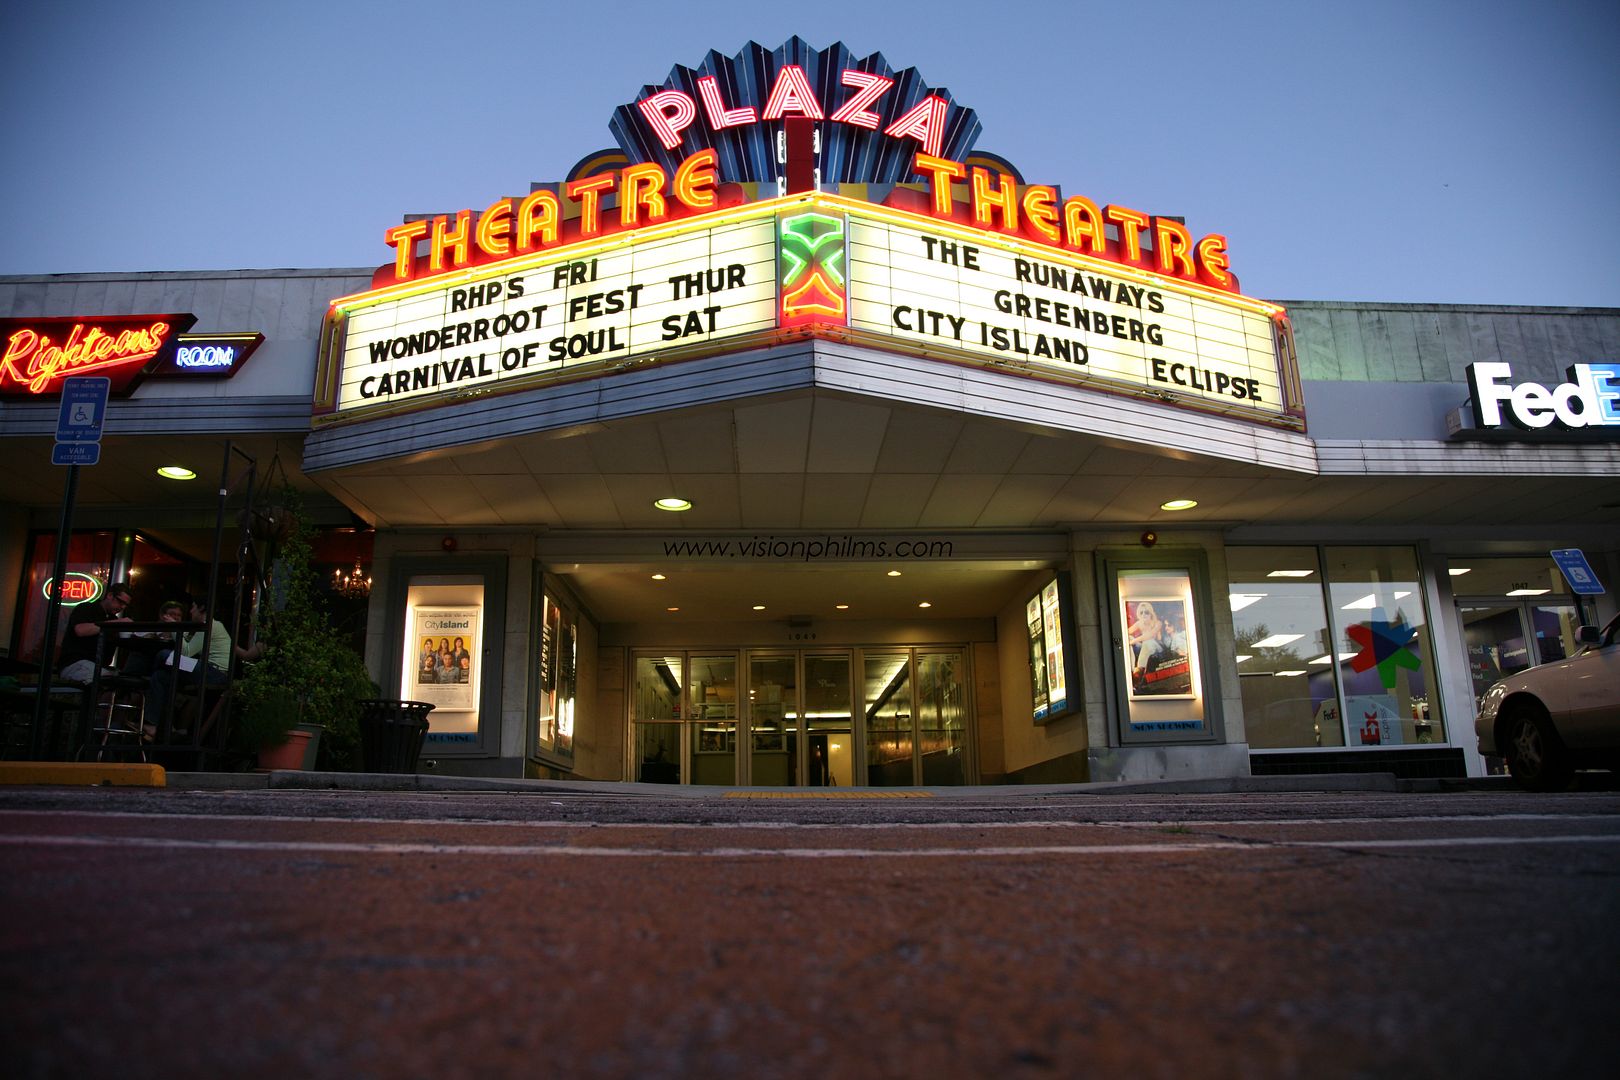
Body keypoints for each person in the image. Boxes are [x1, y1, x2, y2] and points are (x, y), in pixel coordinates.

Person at [145, 598, 233, 732]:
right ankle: (156, 724)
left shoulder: (210, 625)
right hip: (208, 670)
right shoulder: (207, 625)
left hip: (215, 673)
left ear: (202, 608)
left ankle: (147, 681)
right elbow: (186, 640)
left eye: (193, 607)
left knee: (164, 654)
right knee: (160, 676)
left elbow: (186, 652)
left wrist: (175, 626)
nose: (191, 611)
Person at [57, 581, 134, 683]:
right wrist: (117, 623)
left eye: (125, 605)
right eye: (121, 602)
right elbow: (80, 630)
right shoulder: (86, 608)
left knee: (125, 681)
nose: (122, 607)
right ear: (110, 595)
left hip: (98, 667)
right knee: (107, 680)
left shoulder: (113, 619)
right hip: (74, 663)